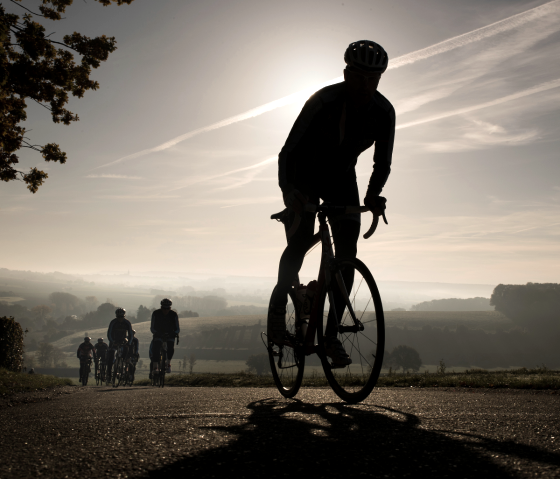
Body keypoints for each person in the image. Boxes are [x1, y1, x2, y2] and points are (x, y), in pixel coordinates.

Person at [269, 40, 395, 366]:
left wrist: (373, 195)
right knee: (298, 244)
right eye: (359, 77)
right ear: (345, 73)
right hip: (304, 175)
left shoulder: (384, 112)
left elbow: (382, 163)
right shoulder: (323, 100)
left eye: (373, 78)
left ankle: (330, 337)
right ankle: (277, 314)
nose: (366, 85)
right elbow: (288, 151)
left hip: (341, 179)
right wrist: (288, 191)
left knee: (348, 253)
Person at [149, 298, 180, 376]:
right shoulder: (156, 313)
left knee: (170, 347)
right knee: (156, 347)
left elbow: (177, 328)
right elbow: (152, 327)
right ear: (161, 307)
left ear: (170, 308)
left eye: (167, 308)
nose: (165, 310)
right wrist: (155, 332)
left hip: (170, 334)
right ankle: (155, 366)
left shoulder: (174, 314)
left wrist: (174, 333)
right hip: (158, 333)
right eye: (164, 308)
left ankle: (168, 363)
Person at [106, 308, 133, 382]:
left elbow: (130, 334)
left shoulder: (127, 323)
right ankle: (108, 374)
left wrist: (129, 343)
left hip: (123, 341)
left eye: (122, 317)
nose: (120, 319)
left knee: (125, 352)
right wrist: (112, 341)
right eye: (119, 317)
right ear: (116, 316)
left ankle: (123, 364)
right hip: (114, 341)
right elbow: (109, 333)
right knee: (111, 357)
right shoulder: (113, 322)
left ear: (124, 316)